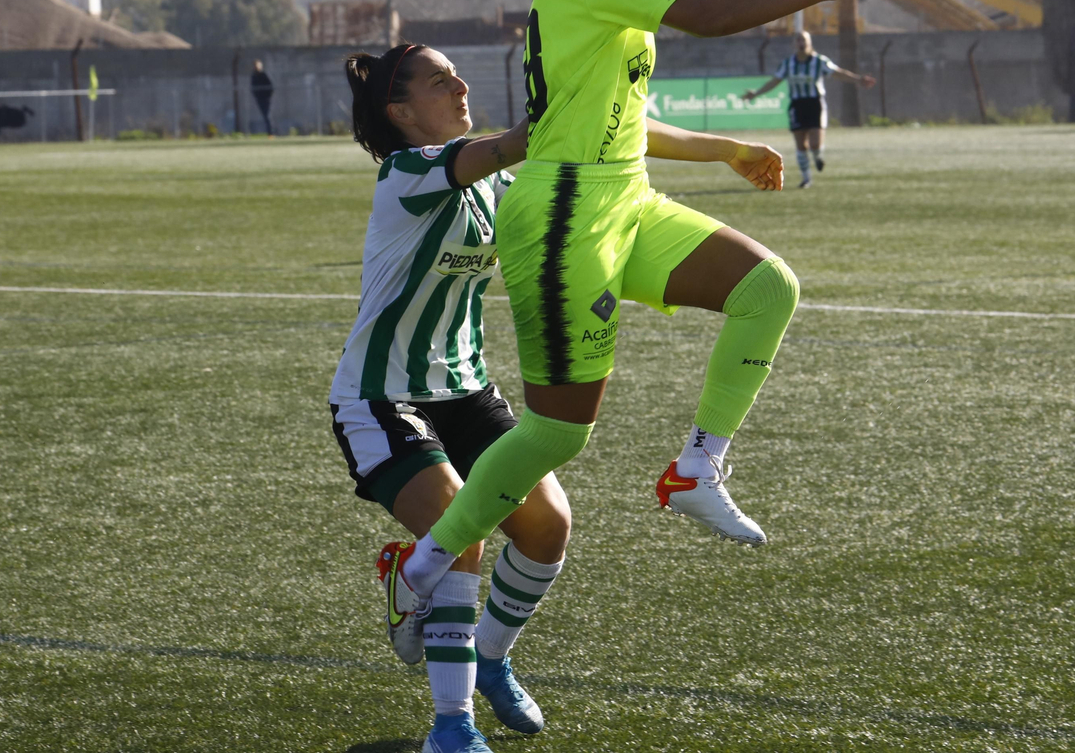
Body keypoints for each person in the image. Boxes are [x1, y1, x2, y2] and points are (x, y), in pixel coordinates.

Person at [378, 0, 890, 616]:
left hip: (626, 198)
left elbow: (625, 120)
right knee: (559, 435)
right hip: (563, 215)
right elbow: (707, 17)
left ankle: (696, 469)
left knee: (767, 289)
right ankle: (421, 569)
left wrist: (725, 149)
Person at [336, 42, 784, 753]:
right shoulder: (409, 172)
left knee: (548, 528)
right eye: (436, 79)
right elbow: (526, 139)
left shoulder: (500, 187)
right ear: (399, 110)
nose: (458, 83)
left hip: (469, 389)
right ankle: (451, 729)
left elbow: (576, 188)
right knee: (462, 532)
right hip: (385, 398)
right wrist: (575, 96)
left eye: (455, 72)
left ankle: (490, 657)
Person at [743, 30, 877, 188]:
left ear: (809, 43)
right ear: (794, 44)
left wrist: (858, 79)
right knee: (801, 145)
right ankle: (806, 179)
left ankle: (818, 156)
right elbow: (775, 81)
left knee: (814, 144)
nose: (801, 43)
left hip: (815, 104)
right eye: (798, 40)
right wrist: (756, 94)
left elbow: (838, 73)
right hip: (797, 104)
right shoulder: (788, 64)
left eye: (804, 40)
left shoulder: (819, 61)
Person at [250, 59, 275, 135]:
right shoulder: (254, 76)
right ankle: (269, 132)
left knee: (267, 116)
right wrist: (257, 95)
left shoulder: (264, 75)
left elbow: (270, 86)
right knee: (265, 116)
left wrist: (267, 96)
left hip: (265, 99)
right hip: (259, 99)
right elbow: (253, 87)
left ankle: (270, 133)